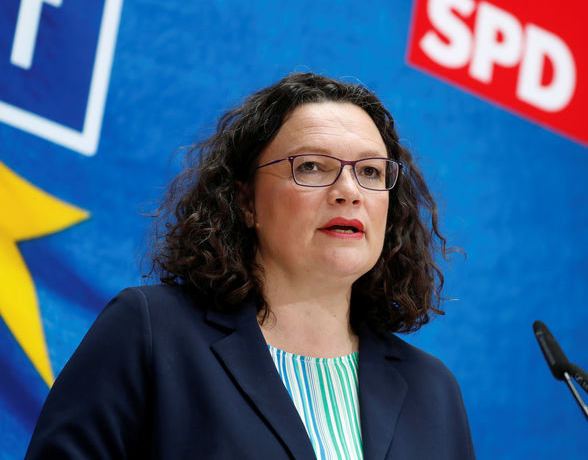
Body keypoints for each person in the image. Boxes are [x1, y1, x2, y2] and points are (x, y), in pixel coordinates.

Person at [25, 72, 475, 459]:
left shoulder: (433, 391)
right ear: (246, 202)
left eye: (371, 172)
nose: (349, 192)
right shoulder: (151, 331)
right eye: (313, 167)